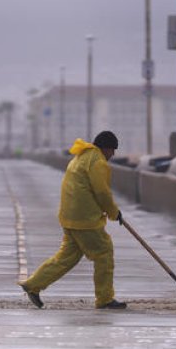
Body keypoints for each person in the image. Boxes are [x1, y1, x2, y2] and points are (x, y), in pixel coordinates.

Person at [19, 131, 126, 310]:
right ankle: (105, 298)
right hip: (86, 219)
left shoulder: (81, 158)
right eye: (112, 150)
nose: (112, 155)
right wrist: (114, 213)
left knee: (66, 258)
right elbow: (102, 192)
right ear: (106, 148)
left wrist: (112, 212)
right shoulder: (97, 161)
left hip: (70, 217)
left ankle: (33, 284)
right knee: (104, 254)